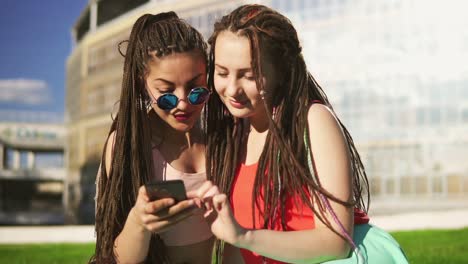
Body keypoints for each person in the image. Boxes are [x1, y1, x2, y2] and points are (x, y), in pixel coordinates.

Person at [203, 4, 409, 264]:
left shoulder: (312, 122)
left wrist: (244, 235)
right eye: (222, 72)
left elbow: (336, 242)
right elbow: (237, 249)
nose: (232, 89)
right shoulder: (232, 134)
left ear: (281, 72)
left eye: (249, 76)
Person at [90, 12, 215, 263]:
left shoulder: (220, 137)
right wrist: (139, 221)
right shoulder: (128, 146)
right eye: (166, 93)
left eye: (196, 89)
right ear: (142, 83)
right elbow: (115, 256)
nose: (183, 103)